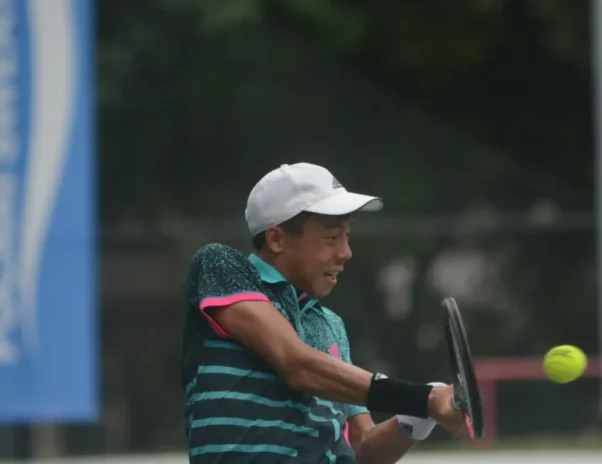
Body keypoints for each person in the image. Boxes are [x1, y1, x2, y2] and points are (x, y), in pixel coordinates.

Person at [182, 162, 468, 463]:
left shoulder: (329, 324)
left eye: (347, 236)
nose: (346, 253)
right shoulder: (219, 266)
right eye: (332, 238)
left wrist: (419, 415)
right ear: (276, 239)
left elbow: (363, 448)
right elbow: (296, 364)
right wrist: (423, 400)